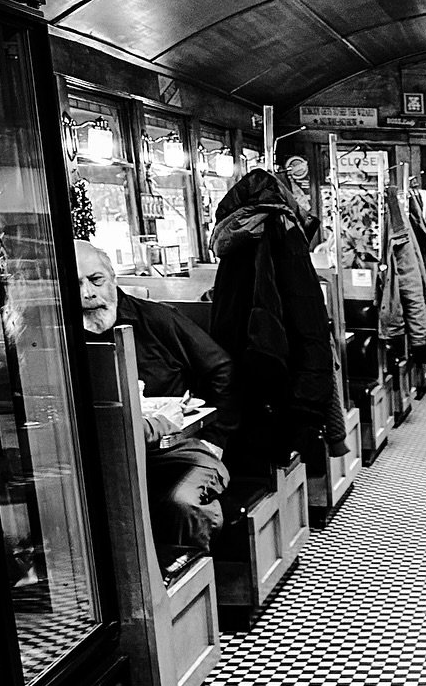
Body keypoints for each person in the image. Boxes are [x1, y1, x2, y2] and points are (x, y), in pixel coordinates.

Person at [76, 241, 231, 558]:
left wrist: (216, 438)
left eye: (95, 280)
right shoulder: (55, 337)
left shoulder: (158, 320)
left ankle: (192, 593)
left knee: (183, 502)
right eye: (75, 285)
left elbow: (221, 369)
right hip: (98, 457)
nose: (87, 294)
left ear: (113, 279)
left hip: (175, 450)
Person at [209, 167, 350, 472]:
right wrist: (310, 405)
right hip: (277, 372)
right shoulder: (283, 232)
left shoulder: (230, 239)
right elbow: (308, 319)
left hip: (238, 370)